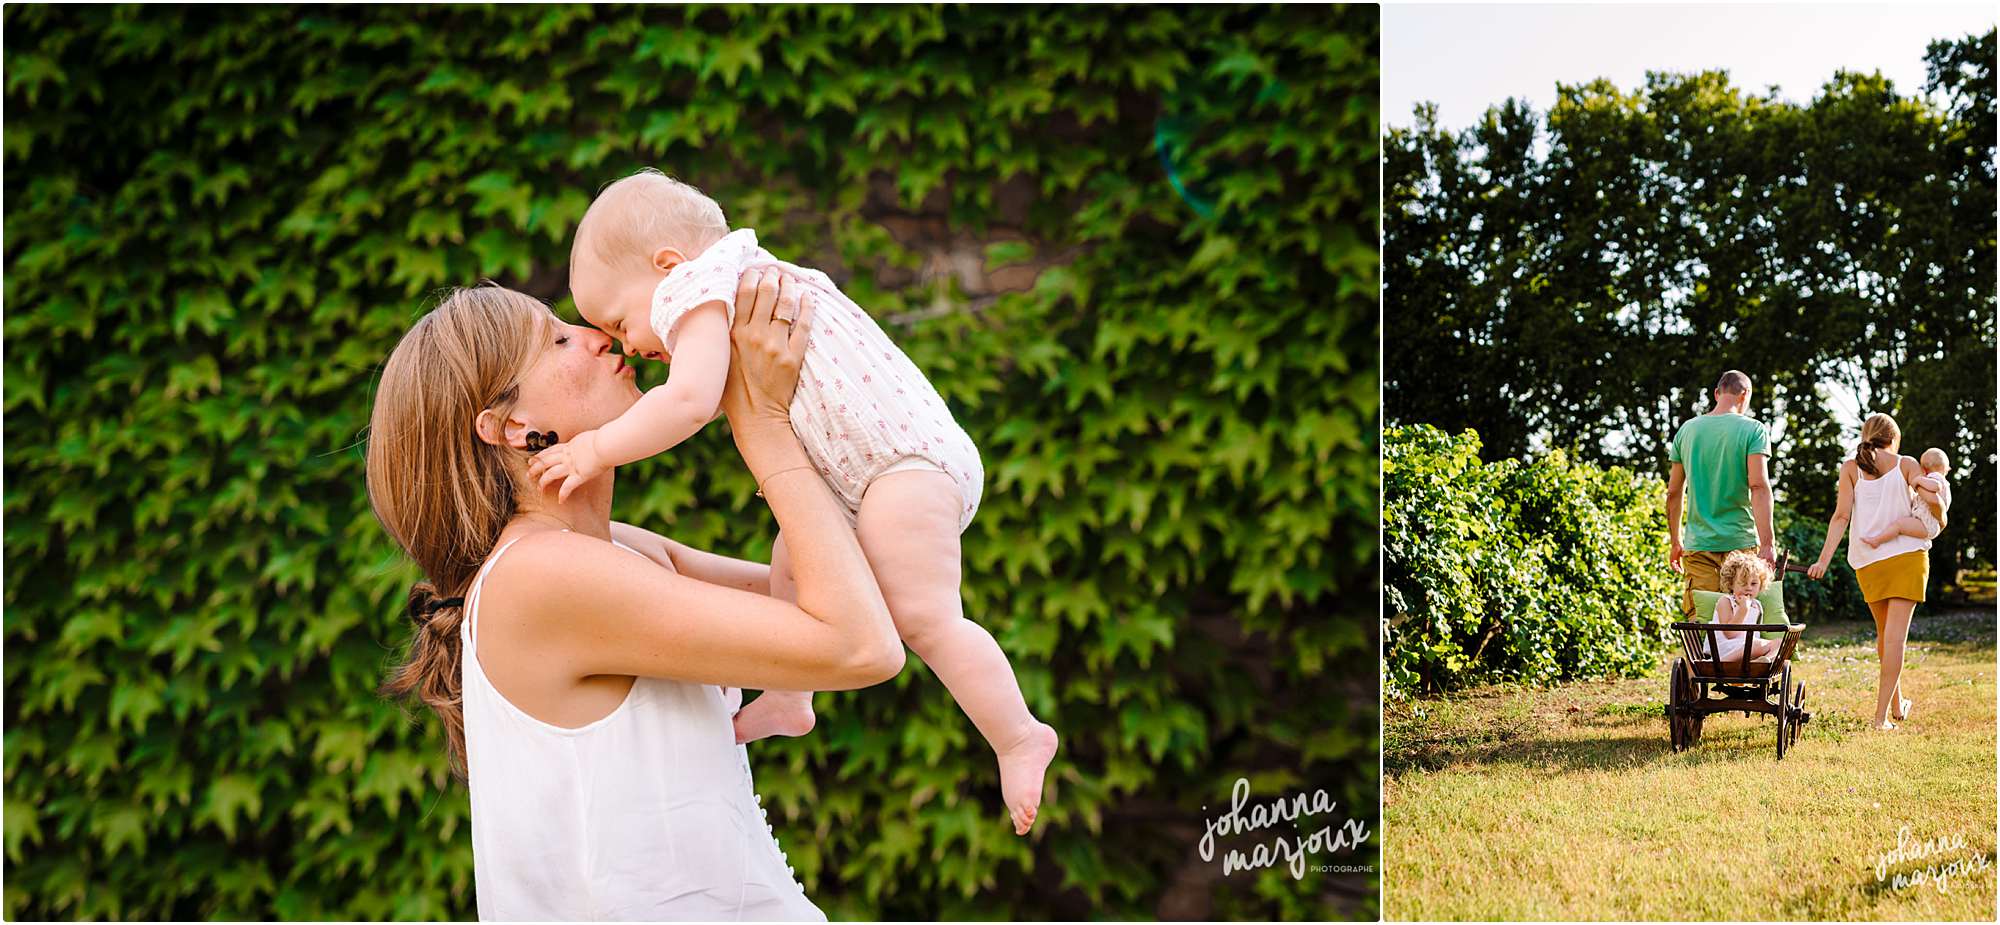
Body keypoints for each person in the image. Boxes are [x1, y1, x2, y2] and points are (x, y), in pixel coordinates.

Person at [536, 169, 1059, 835]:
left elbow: (690, 401)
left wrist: (596, 449)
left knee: (922, 615)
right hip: (864, 473)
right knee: (798, 556)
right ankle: (789, 693)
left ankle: (1017, 736)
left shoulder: (698, 287)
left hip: (902, 463)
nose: (626, 343)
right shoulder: (738, 280)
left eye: (618, 319)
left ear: (667, 266)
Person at [370, 271, 896, 919]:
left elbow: (857, 594)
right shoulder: (544, 577)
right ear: (510, 425)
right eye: (558, 340)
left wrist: (802, 385)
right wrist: (760, 423)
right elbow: (859, 644)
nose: (596, 337)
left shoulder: (616, 551)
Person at [1807, 412, 1929, 730]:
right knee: (1894, 640)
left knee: (1885, 636)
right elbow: (1929, 494)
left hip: (1869, 562)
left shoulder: (1850, 468)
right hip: (1906, 558)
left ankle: (1897, 705)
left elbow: (1840, 517)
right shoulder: (1906, 463)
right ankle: (1880, 719)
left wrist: (1823, 560)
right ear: (1893, 437)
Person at [1665, 370, 1776, 618]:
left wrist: (1675, 541)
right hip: (1741, 542)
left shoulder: (1687, 430)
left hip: (1698, 543)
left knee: (1702, 619)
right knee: (1745, 618)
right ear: (1745, 394)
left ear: (1717, 393)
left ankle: (1703, 658)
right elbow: (1758, 486)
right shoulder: (1754, 430)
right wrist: (1768, 543)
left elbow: (1674, 493)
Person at [1861, 446, 1952, 547]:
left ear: (1924, 469)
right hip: (1929, 523)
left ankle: (1877, 540)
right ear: (1947, 469)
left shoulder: (1935, 477)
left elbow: (1936, 486)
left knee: (1899, 525)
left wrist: (1918, 480)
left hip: (1926, 524)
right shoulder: (1943, 483)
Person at [1711, 550, 1781, 663]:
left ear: (1761, 584)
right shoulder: (1726, 601)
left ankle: (1763, 662)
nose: (1748, 588)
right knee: (1755, 644)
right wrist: (1743, 609)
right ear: (1731, 583)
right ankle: (1721, 663)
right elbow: (1729, 634)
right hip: (1724, 648)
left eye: (1754, 584)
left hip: (1748, 647)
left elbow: (1755, 632)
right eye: (1743, 583)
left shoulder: (1757, 605)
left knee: (1780, 643)